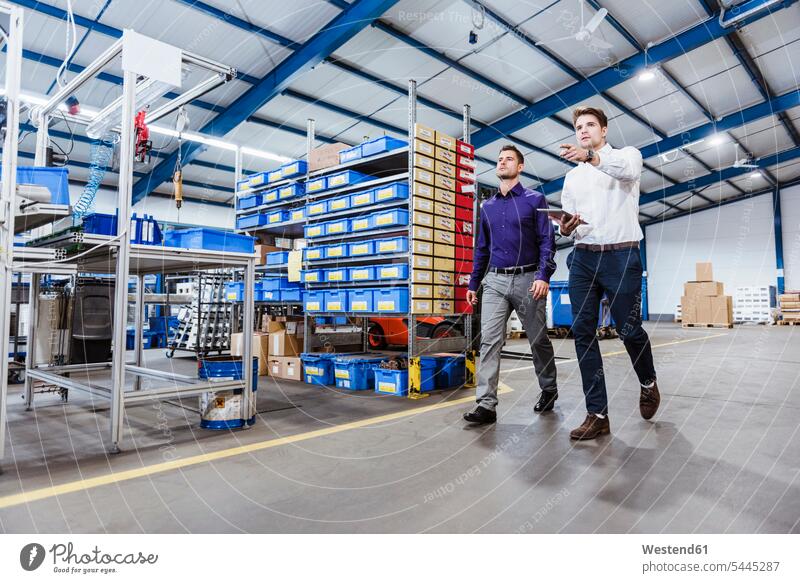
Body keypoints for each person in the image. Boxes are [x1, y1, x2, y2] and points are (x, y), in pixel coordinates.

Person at [558, 106, 659, 440]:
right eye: (578, 126)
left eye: (589, 125)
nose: (583, 130)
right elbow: (569, 224)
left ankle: (648, 381)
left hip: (621, 254)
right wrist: (566, 227)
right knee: (583, 332)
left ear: (603, 130)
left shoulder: (627, 156)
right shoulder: (572, 177)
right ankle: (597, 414)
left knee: (628, 329)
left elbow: (625, 172)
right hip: (585, 257)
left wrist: (590, 157)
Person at [463, 144, 558, 425]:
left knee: (538, 338)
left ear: (521, 166)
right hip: (494, 280)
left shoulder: (535, 199)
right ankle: (486, 405)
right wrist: (473, 282)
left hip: (529, 280)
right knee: (490, 341)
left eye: (509, 159)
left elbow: (547, 242)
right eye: (500, 159)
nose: (503, 162)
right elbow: (482, 247)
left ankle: (549, 389)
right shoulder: (487, 207)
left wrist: (543, 275)